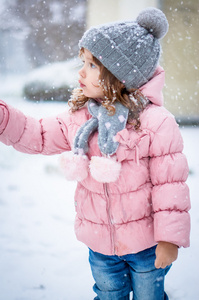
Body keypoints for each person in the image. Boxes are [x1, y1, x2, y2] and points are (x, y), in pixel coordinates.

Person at [0, 7, 190, 300]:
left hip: (147, 246)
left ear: (118, 74)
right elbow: (35, 134)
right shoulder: (80, 119)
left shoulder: (155, 123)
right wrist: (4, 118)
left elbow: (171, 187)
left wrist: (169, 239)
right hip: (100, 246)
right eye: (83, 62)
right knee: (108, 294)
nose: (81, 72)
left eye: (91, 65)